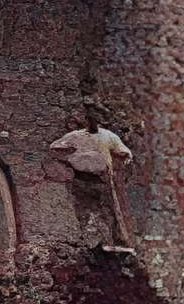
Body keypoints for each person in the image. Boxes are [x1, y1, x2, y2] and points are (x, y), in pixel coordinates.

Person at [48, 100, 135, 248]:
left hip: (102, 179)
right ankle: (89, 242)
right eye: (91, 119)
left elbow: (123, 150)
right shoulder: (75, 136)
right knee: (84, 210)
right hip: (81, 180)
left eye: (96, 119)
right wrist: (70, 159)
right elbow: (55, 147)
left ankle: (110, 241)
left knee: (107, 210)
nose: (94, 122)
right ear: (87, 120)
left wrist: (126, 157)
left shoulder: (108, 136)